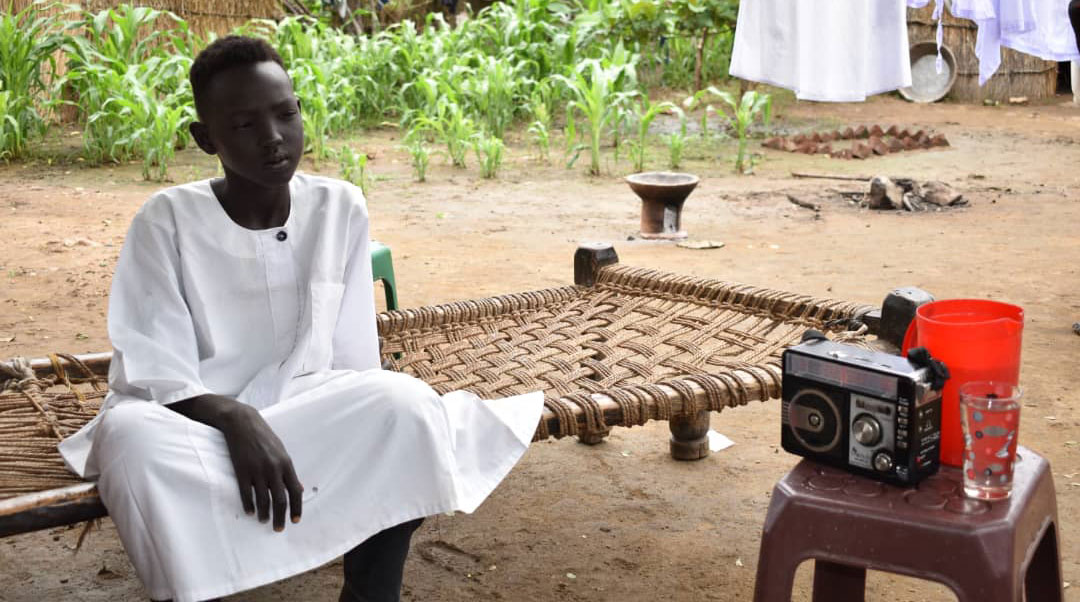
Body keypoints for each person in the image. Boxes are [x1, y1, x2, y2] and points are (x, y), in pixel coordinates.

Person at [57, 35, 543, 602]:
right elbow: (151, 365)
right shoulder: (165, 220)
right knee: (130, 440)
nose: (273, 138)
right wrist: (234, 418)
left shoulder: (340, 206)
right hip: (190, 421)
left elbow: (352, 360)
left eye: (285, 114)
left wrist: (321, 415)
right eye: (243, 125)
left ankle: (370, 595)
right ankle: (200, 588)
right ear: (205, 137)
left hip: (309, 403)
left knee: (404, 406)